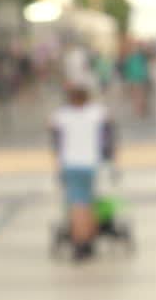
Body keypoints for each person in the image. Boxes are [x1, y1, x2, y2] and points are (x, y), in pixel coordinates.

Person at [49, 79, 116, 261]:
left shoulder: (62, 115)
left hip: (71, 164)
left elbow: (54, 137)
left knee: (77, 206)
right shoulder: (97, 112)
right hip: (92, 163)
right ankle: (90, 240)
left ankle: (80, 242)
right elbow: (109, 129)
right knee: (90, 203)